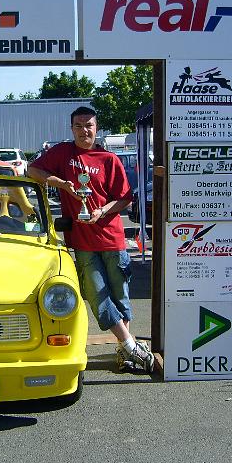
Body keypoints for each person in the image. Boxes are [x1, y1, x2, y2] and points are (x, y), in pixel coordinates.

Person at [28, 106, 155, 373]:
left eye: (89, 125)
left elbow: (124, 198)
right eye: (78, 126)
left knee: (121, 297)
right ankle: (131, 346)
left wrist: (101, 211)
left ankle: (125, 351)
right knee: (97, 297)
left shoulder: (109, 159)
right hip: (83, 242)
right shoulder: (63, 153)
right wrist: (62, 184)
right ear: (71, 128)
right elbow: (32, 170)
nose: (84, 130)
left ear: (96, 128)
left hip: (112, 239)